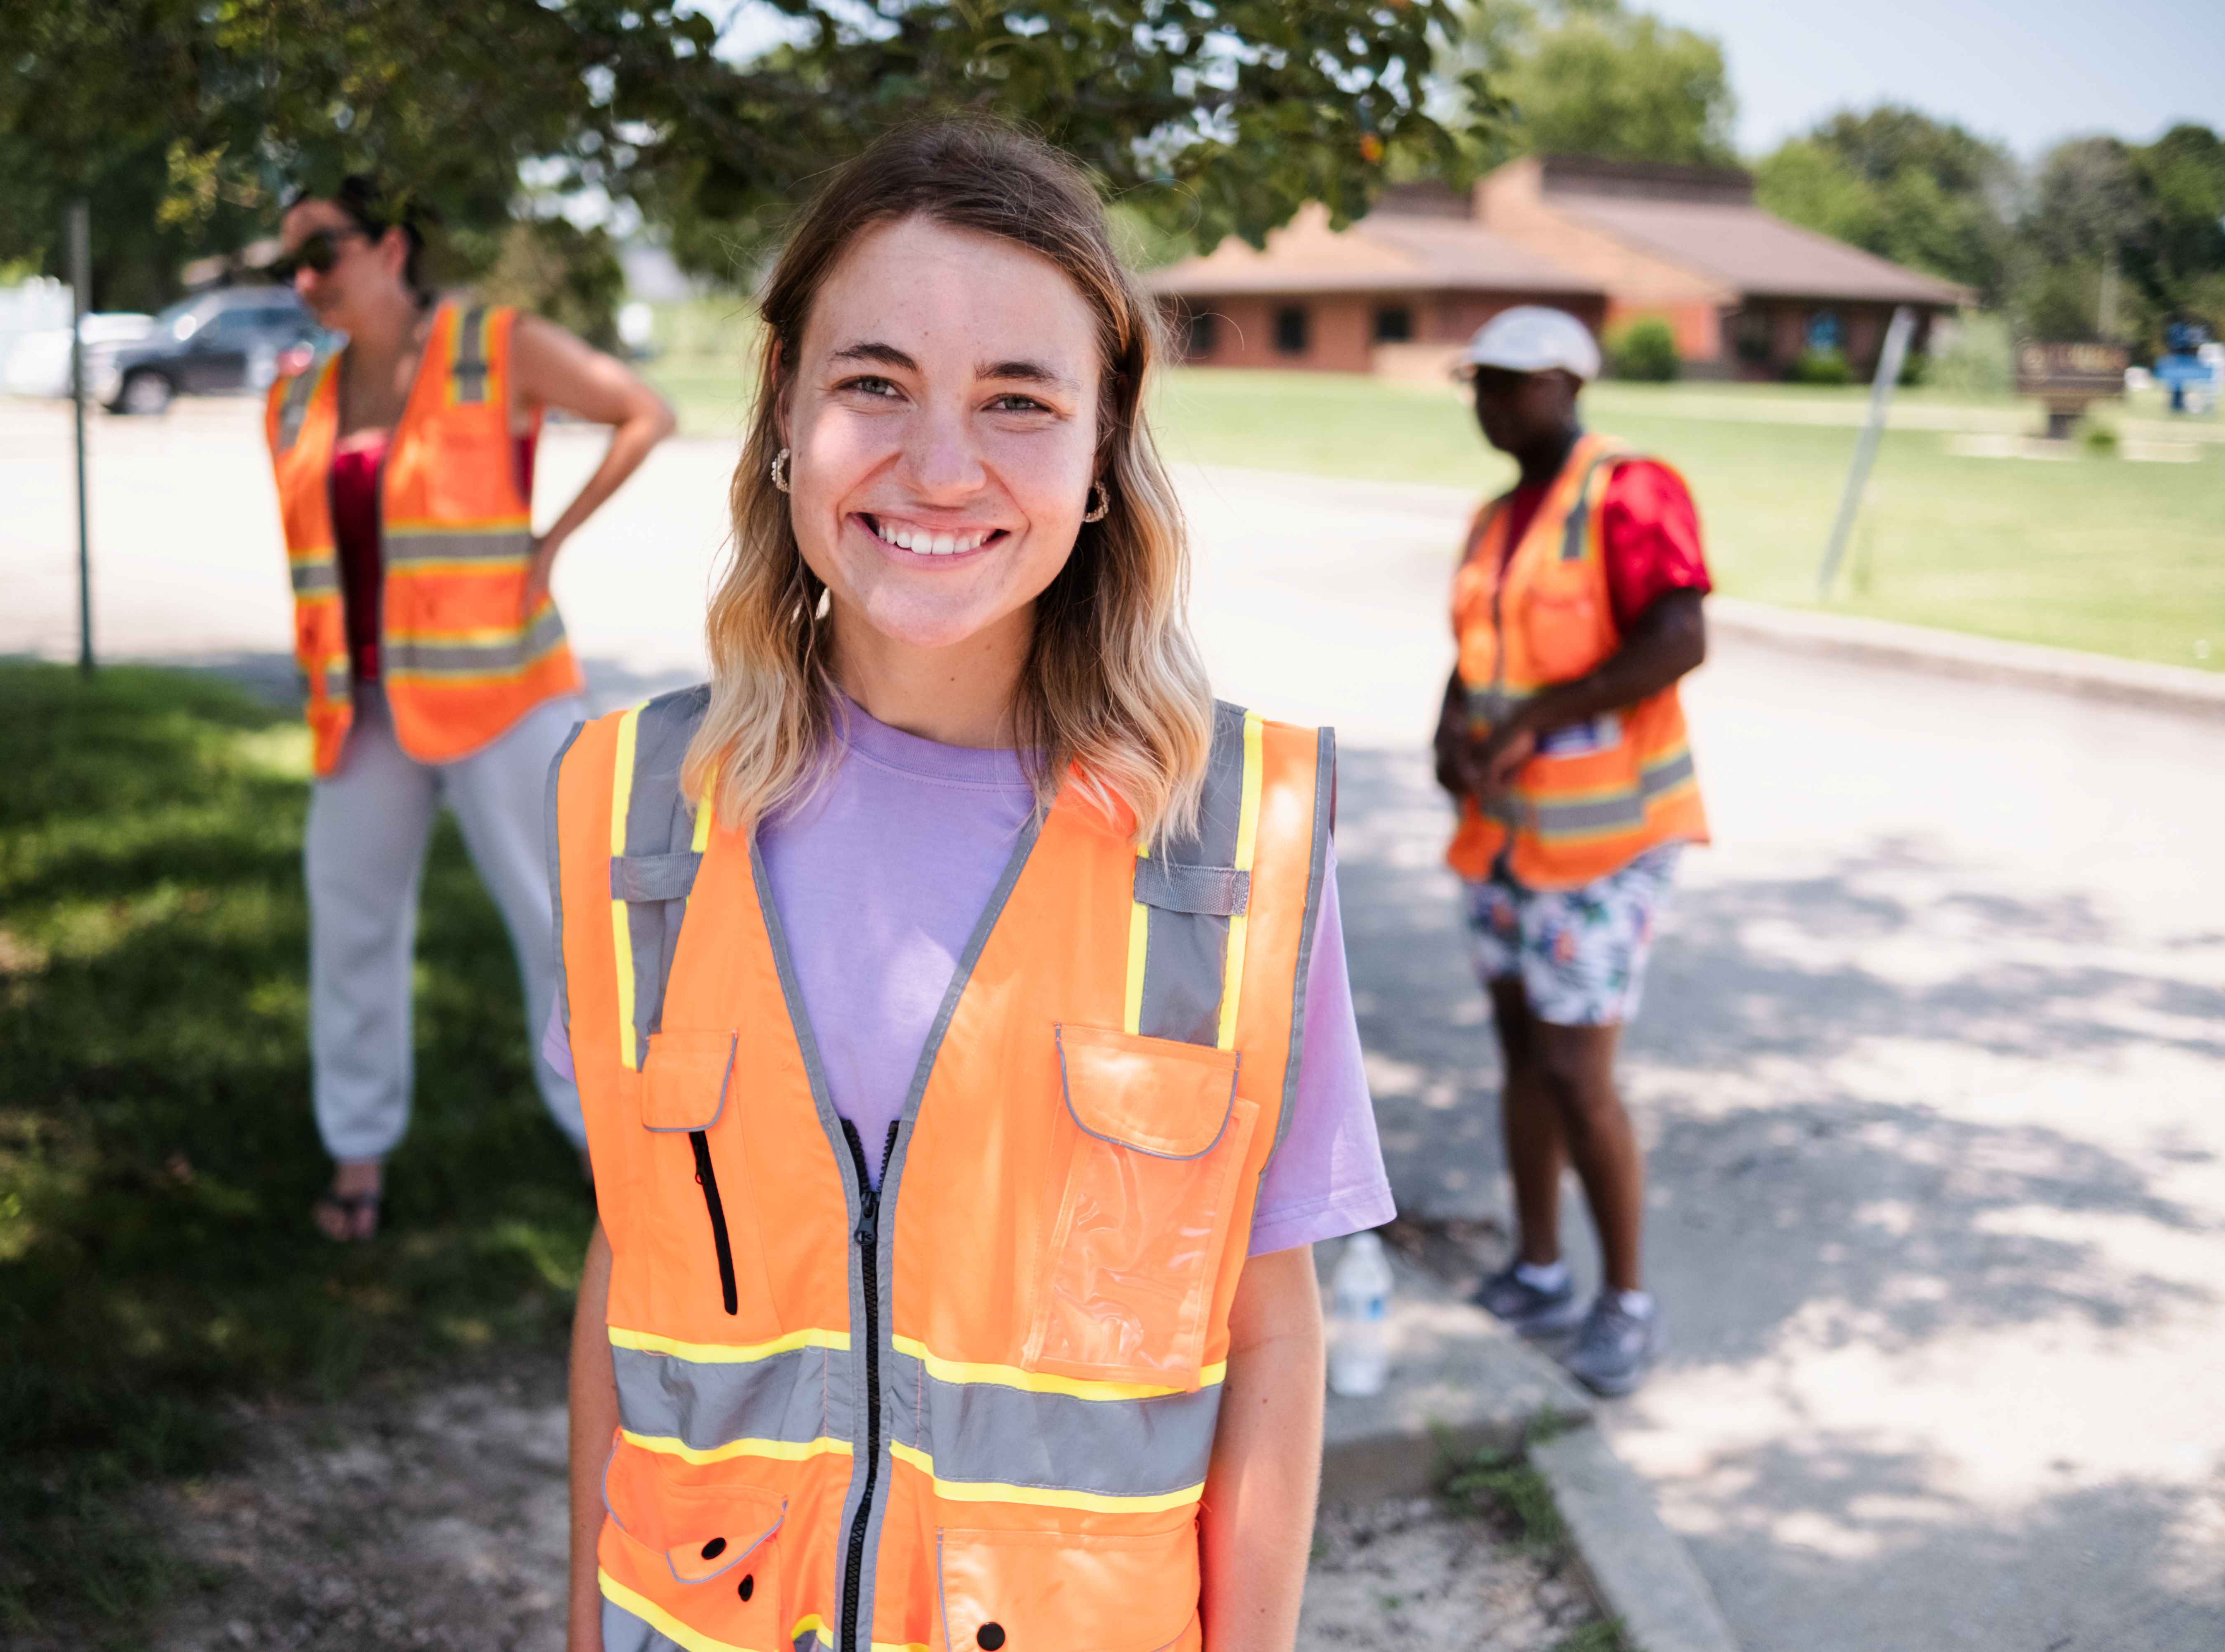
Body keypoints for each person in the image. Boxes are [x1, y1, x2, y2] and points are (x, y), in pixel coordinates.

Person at [548, 122, 1394, 1652]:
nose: (939, 468)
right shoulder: (631, 808)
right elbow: (634, 1262)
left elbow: (1270, 1332)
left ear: (1097, 455)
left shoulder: (1229, 839)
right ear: (786, 417)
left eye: (1018, 402)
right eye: (874, 383)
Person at [264, 176, 675, 1240]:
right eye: (289, 266)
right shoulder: (298, 394)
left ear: (391, 246)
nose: (306, 281)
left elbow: (644, 412)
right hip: (362, 712)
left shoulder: (493, 345)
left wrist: (552, 543)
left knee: (567, 930)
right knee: (350, 929)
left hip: (503, 691)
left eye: (323, 253)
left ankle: (615, 1160)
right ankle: (357, 1155)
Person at [1432, 306, 1711, 1397]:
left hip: (1603, 843)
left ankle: (1625, 1300)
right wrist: (1451, 731)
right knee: (1521, 1056)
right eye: (1480, 385)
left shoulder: (1631, 492)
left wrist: (1543, 718)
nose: (1492, 403)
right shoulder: (1498, 516)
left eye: (1512, 382)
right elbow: (1473, 654)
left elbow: (1679, 637)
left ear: (1568, 382)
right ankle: (1539, 1265)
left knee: (1577, 1070)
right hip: (1504, 834)